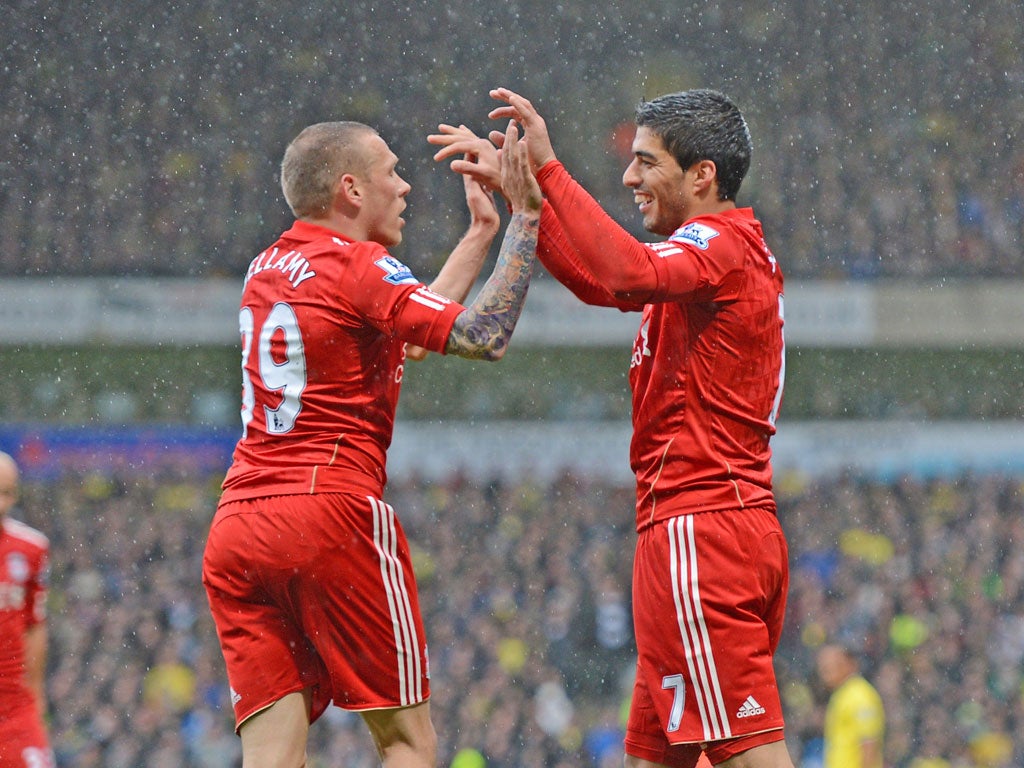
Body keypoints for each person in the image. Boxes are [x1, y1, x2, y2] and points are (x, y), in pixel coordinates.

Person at [430, 86, 790, 768]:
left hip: (700, 530)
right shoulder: (717, 256)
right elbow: (604, 284)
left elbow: (623, 273)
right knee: (655, 758)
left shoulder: (714, 241)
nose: (629, 178)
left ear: (702, 175)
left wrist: (551, 171)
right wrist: (526, 199)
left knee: (748, 755)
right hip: (716, 528)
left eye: (646, 162)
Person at [202, 118, 542, 767]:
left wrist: (479, 236)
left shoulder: (267, 266)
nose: (406, 186)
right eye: (393, 171)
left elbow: (402, 333)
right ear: (352, 190)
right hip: (327, 513)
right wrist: (526, 216)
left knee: (271, 753)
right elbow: (481, 336)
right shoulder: (358, 264)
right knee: (407, 741)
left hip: (239, 525)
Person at [0, 451, 54, 768]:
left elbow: (35, 626)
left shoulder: (32, 548)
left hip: (14, 706)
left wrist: (36, 697)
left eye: (6, 493)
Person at [816, 644, 885, 768]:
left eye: (834, 664)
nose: (826, 670)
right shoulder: (842, 694)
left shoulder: (860, 695)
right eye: (824, 666)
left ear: (850, 664)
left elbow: (869, 742)